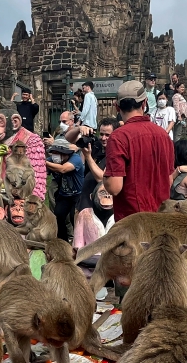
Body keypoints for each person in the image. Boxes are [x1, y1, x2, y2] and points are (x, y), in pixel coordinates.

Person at [104, 80, 174, 219]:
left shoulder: (118, 137)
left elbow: (114, 187)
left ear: (117, 107)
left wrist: (105, 176)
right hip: (162, 218)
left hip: (133, 224)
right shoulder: (163, 135)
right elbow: (169, 180)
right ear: (144, 103)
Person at [3, 113, 47, 198]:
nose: (20, 151)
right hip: (12, 185)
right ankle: (11, 196)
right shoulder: (9, 159)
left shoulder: (27, 158)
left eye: (22, 148)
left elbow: (32, 171)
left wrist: (24, 177)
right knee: (6, 177)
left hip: (24, 186)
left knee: (30, 178)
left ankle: (23, 194)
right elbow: (8, 172)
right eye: (18, 148)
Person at [47, 141, 84, 242]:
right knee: (58, 216)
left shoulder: (75, 159)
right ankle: (63, 242)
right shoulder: (51, 161)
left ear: (65, 153)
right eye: (53, 153)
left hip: (78, 195)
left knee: (74, 218)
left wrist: (44, 162)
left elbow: (63, 169)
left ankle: (79, 242)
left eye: (57, 153)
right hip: (63, 195)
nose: (55, 156)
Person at [77, 118, 116, 211]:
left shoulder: (115, 155)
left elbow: (102, 179)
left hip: (99, 206)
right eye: (101, 134)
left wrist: (88, 157)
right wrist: (79, 129)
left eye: (107, 135)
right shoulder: (97, 146)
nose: (103, 138)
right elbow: (70, 138)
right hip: (84, 199)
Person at [73, 182, 114, 253]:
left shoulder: (121, 215)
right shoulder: (84, 214)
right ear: (91, 197)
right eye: (103, 193)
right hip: (89, 258)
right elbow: (78, 243)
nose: (107, 196)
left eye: (110, 193)